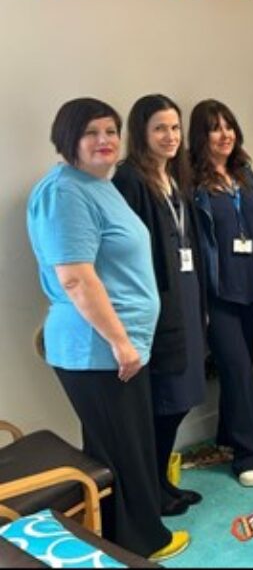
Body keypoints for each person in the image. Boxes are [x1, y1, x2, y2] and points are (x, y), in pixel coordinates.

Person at [26, 98, 189, 561]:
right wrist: (120, 342)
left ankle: (115, 533)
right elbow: (75, 277)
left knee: (121, 444)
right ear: (68, 139)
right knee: (124, 450)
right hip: (98, 347)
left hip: (119, 344)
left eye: (111, 131)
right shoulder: (64, 192)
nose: (104, 141)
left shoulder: (100, 184)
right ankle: (142, 544)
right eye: (91, 133)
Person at [113, 94, 206, 517]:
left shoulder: (175, 177)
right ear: (141, 134)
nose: (170, 137)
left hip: (185, 296)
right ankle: (152, 488)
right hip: (158, 303)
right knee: (163, 399)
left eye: (174, 128)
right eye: (159, 129)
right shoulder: (130, 180)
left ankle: (162, 481)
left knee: (182, 394)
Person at [189, 99, 253, 487]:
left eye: (229, 126)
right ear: (200, 136)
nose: (224, 134)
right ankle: (251, 453)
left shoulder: (246, 175)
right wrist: (198, 300)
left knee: (238, 370)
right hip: (218, 293)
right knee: (238, 370)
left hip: (252, 286)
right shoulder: (193, 185)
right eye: (214, 128)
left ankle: (226, 436)